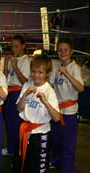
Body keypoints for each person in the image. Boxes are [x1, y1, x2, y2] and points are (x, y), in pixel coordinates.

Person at [16, 55, 60, 173]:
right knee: (23, 164)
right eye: (33, 71)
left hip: (41, 134)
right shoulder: (27, 85)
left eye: (40, 72)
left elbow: (56, 118)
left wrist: (45, 102)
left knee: (39, 167)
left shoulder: (49, 91)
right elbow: (19, 109)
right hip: (25, 131)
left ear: (47, 73)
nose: (36, 75)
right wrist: (25, 95)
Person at [49, 37, 84, 173]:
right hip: (57, 110)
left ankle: (67, 169)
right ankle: (56, 162)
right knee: (56, 140)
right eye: (60, 50)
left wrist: (67, 74)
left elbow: (80, 88)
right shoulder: (57, 66)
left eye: (65, 50)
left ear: (71, 52)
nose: (62, 53)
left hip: (69, 112)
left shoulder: (75, 68)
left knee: (68, 144)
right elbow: (50, 84)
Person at [2, 34, 31, 157]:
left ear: (23, 46)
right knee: (8, 122)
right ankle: (10, 148)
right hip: (8, 92)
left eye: (16, 46)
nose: (14, 49)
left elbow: (25, 81)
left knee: (17, 123)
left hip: (19, 93)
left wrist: (14, 65)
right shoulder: (11, 59)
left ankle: (19, 150)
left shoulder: (27, 60)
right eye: (12, 46)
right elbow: (4, 78)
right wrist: (6, 64)